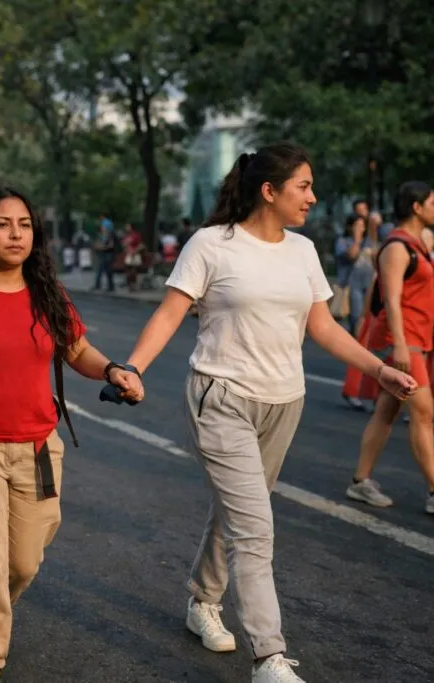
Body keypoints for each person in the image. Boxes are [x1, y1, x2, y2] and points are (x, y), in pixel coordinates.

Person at [120, 143, 417, 683]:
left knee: (237, 512)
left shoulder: (302, 251)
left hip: (285, 401)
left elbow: (322, 327)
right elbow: (169, 315)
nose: (313, 196)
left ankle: (202, 600)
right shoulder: (212, 245)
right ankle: (268, 657)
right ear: (269, 190)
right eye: (303, 186)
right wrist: (133, 368)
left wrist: (379, 370)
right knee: (255, 528)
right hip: (222, 397)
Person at [0, 186, 142, 683]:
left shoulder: (47, 294)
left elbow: (77, 351)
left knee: (23, 561)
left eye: (24, 225)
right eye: (2, 224)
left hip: (37, 446)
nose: (16, 234)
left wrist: (113, 371)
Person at [343, 181, 434, 515]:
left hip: (416, 339)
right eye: (432, 202)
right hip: (403, 342)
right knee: (423, 411)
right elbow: (391, 298)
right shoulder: (397, 247)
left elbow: (413, 288)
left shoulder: (415, 245)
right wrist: (400, 347)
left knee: (387, 411)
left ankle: (360, 481)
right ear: (416, 207)